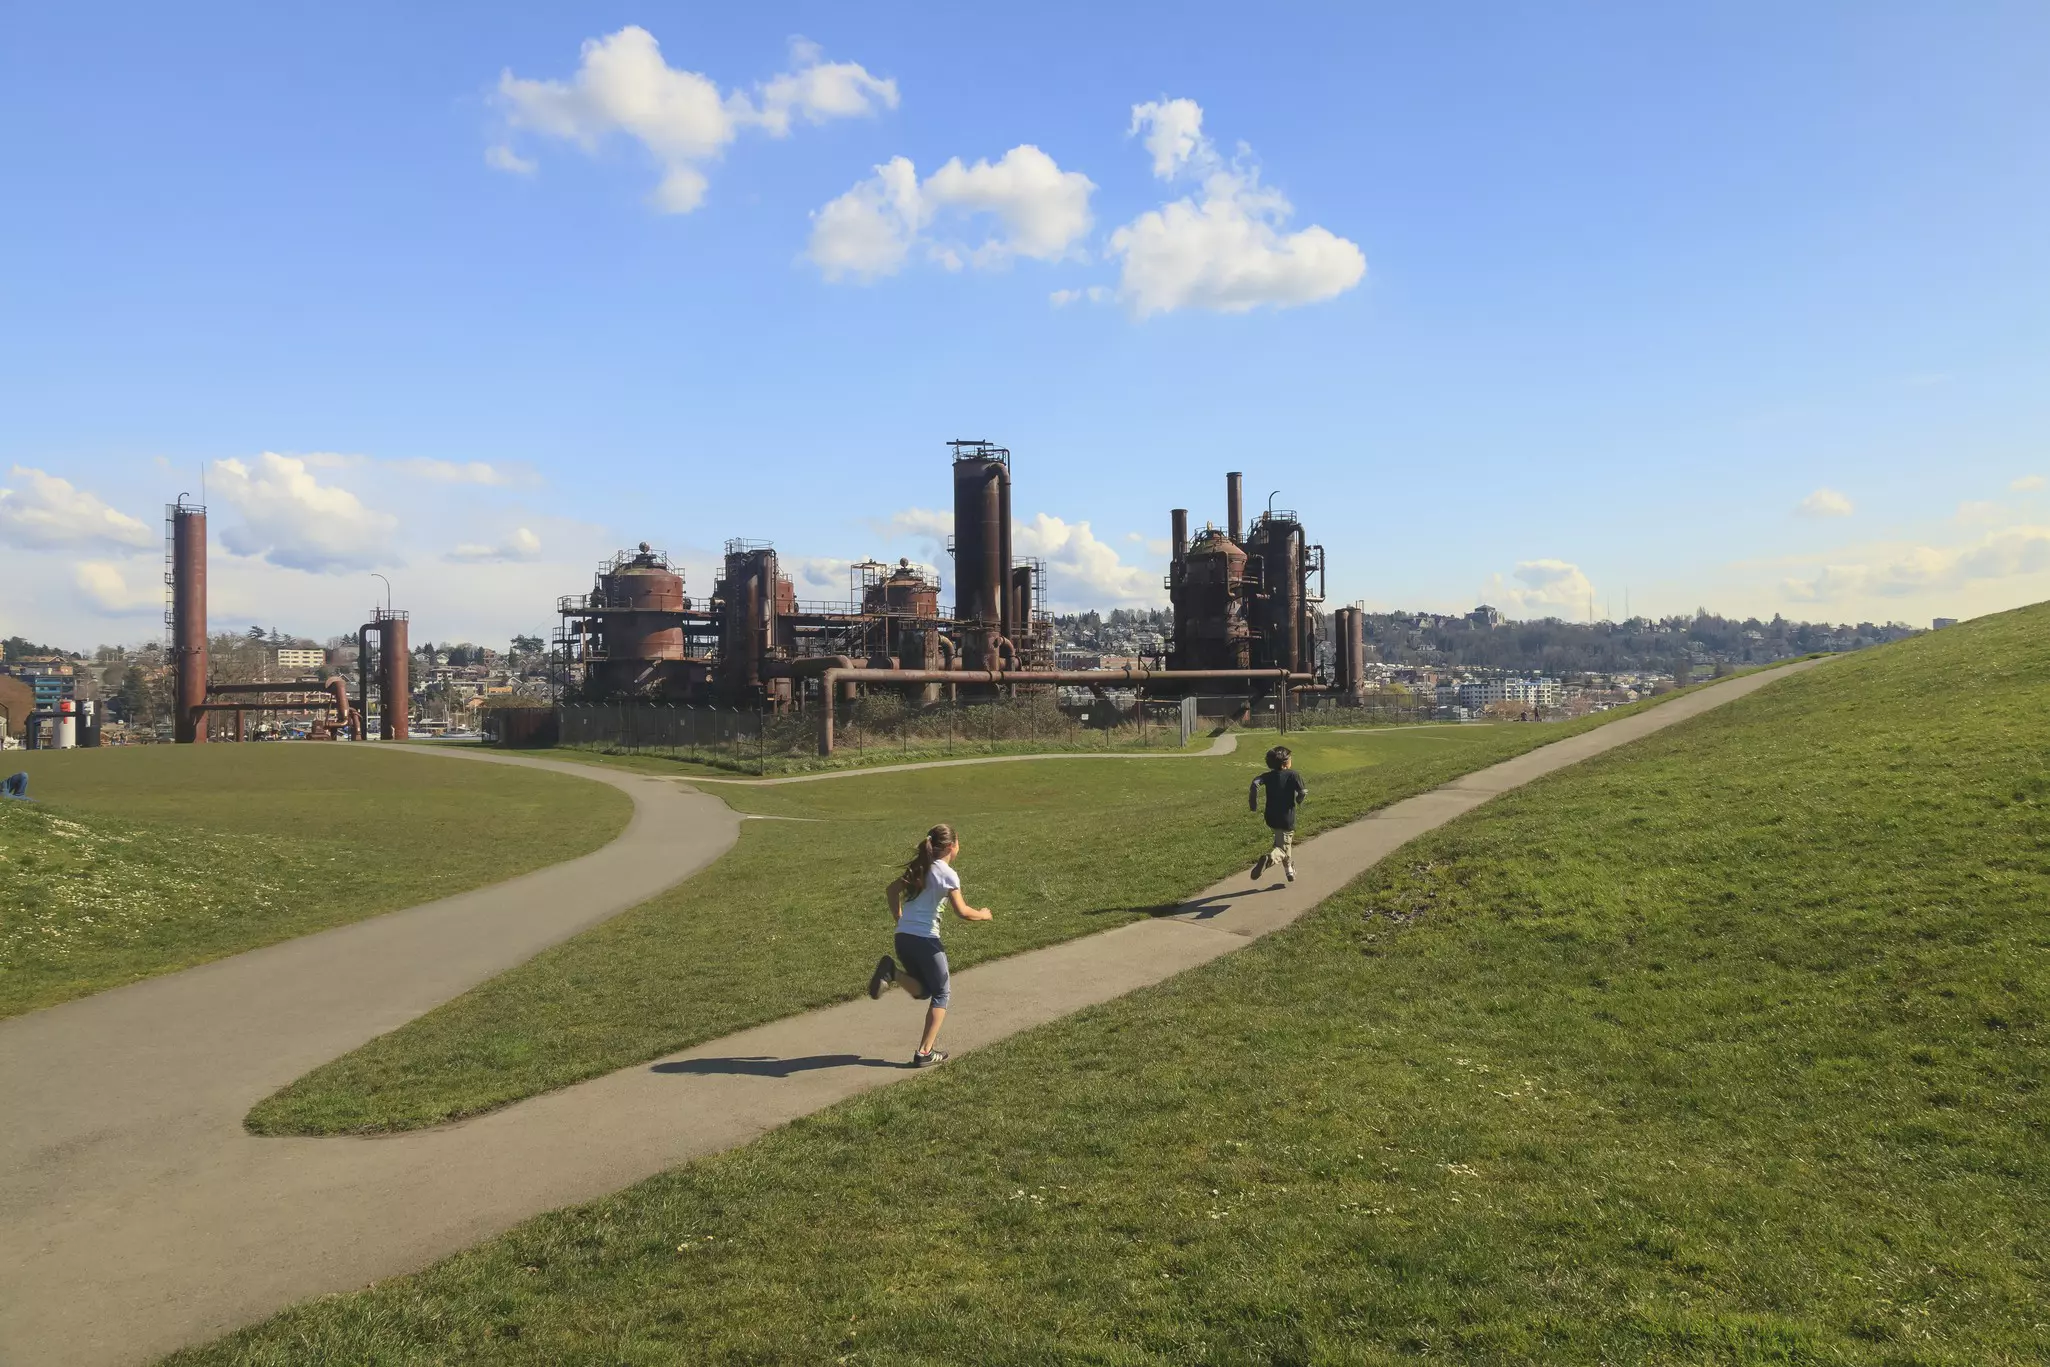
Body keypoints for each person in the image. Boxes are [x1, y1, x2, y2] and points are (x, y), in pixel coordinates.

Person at [867, 822, 993, 1067]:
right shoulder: (947, 873)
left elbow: (891, 890)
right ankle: (925, 1052)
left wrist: (900, 919)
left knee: (924, 990)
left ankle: (891, 971)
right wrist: (984, 914)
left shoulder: (920, 867)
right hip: (925, 940)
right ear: (951, 846)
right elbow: (962, 911)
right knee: (942, 993)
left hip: (903, 937)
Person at [1249, 745, 1307, 883]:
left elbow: (1255, 783)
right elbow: (1302, 792)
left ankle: (1289, 871)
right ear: (1286, 763)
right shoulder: (1293, 775)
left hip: (1271, 817)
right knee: (1282, 849)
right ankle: (1269, 859)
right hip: (1286, 818)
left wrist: (1253, 804)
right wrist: (1299, 800)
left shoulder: (1267, 776)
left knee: (1283, 842)